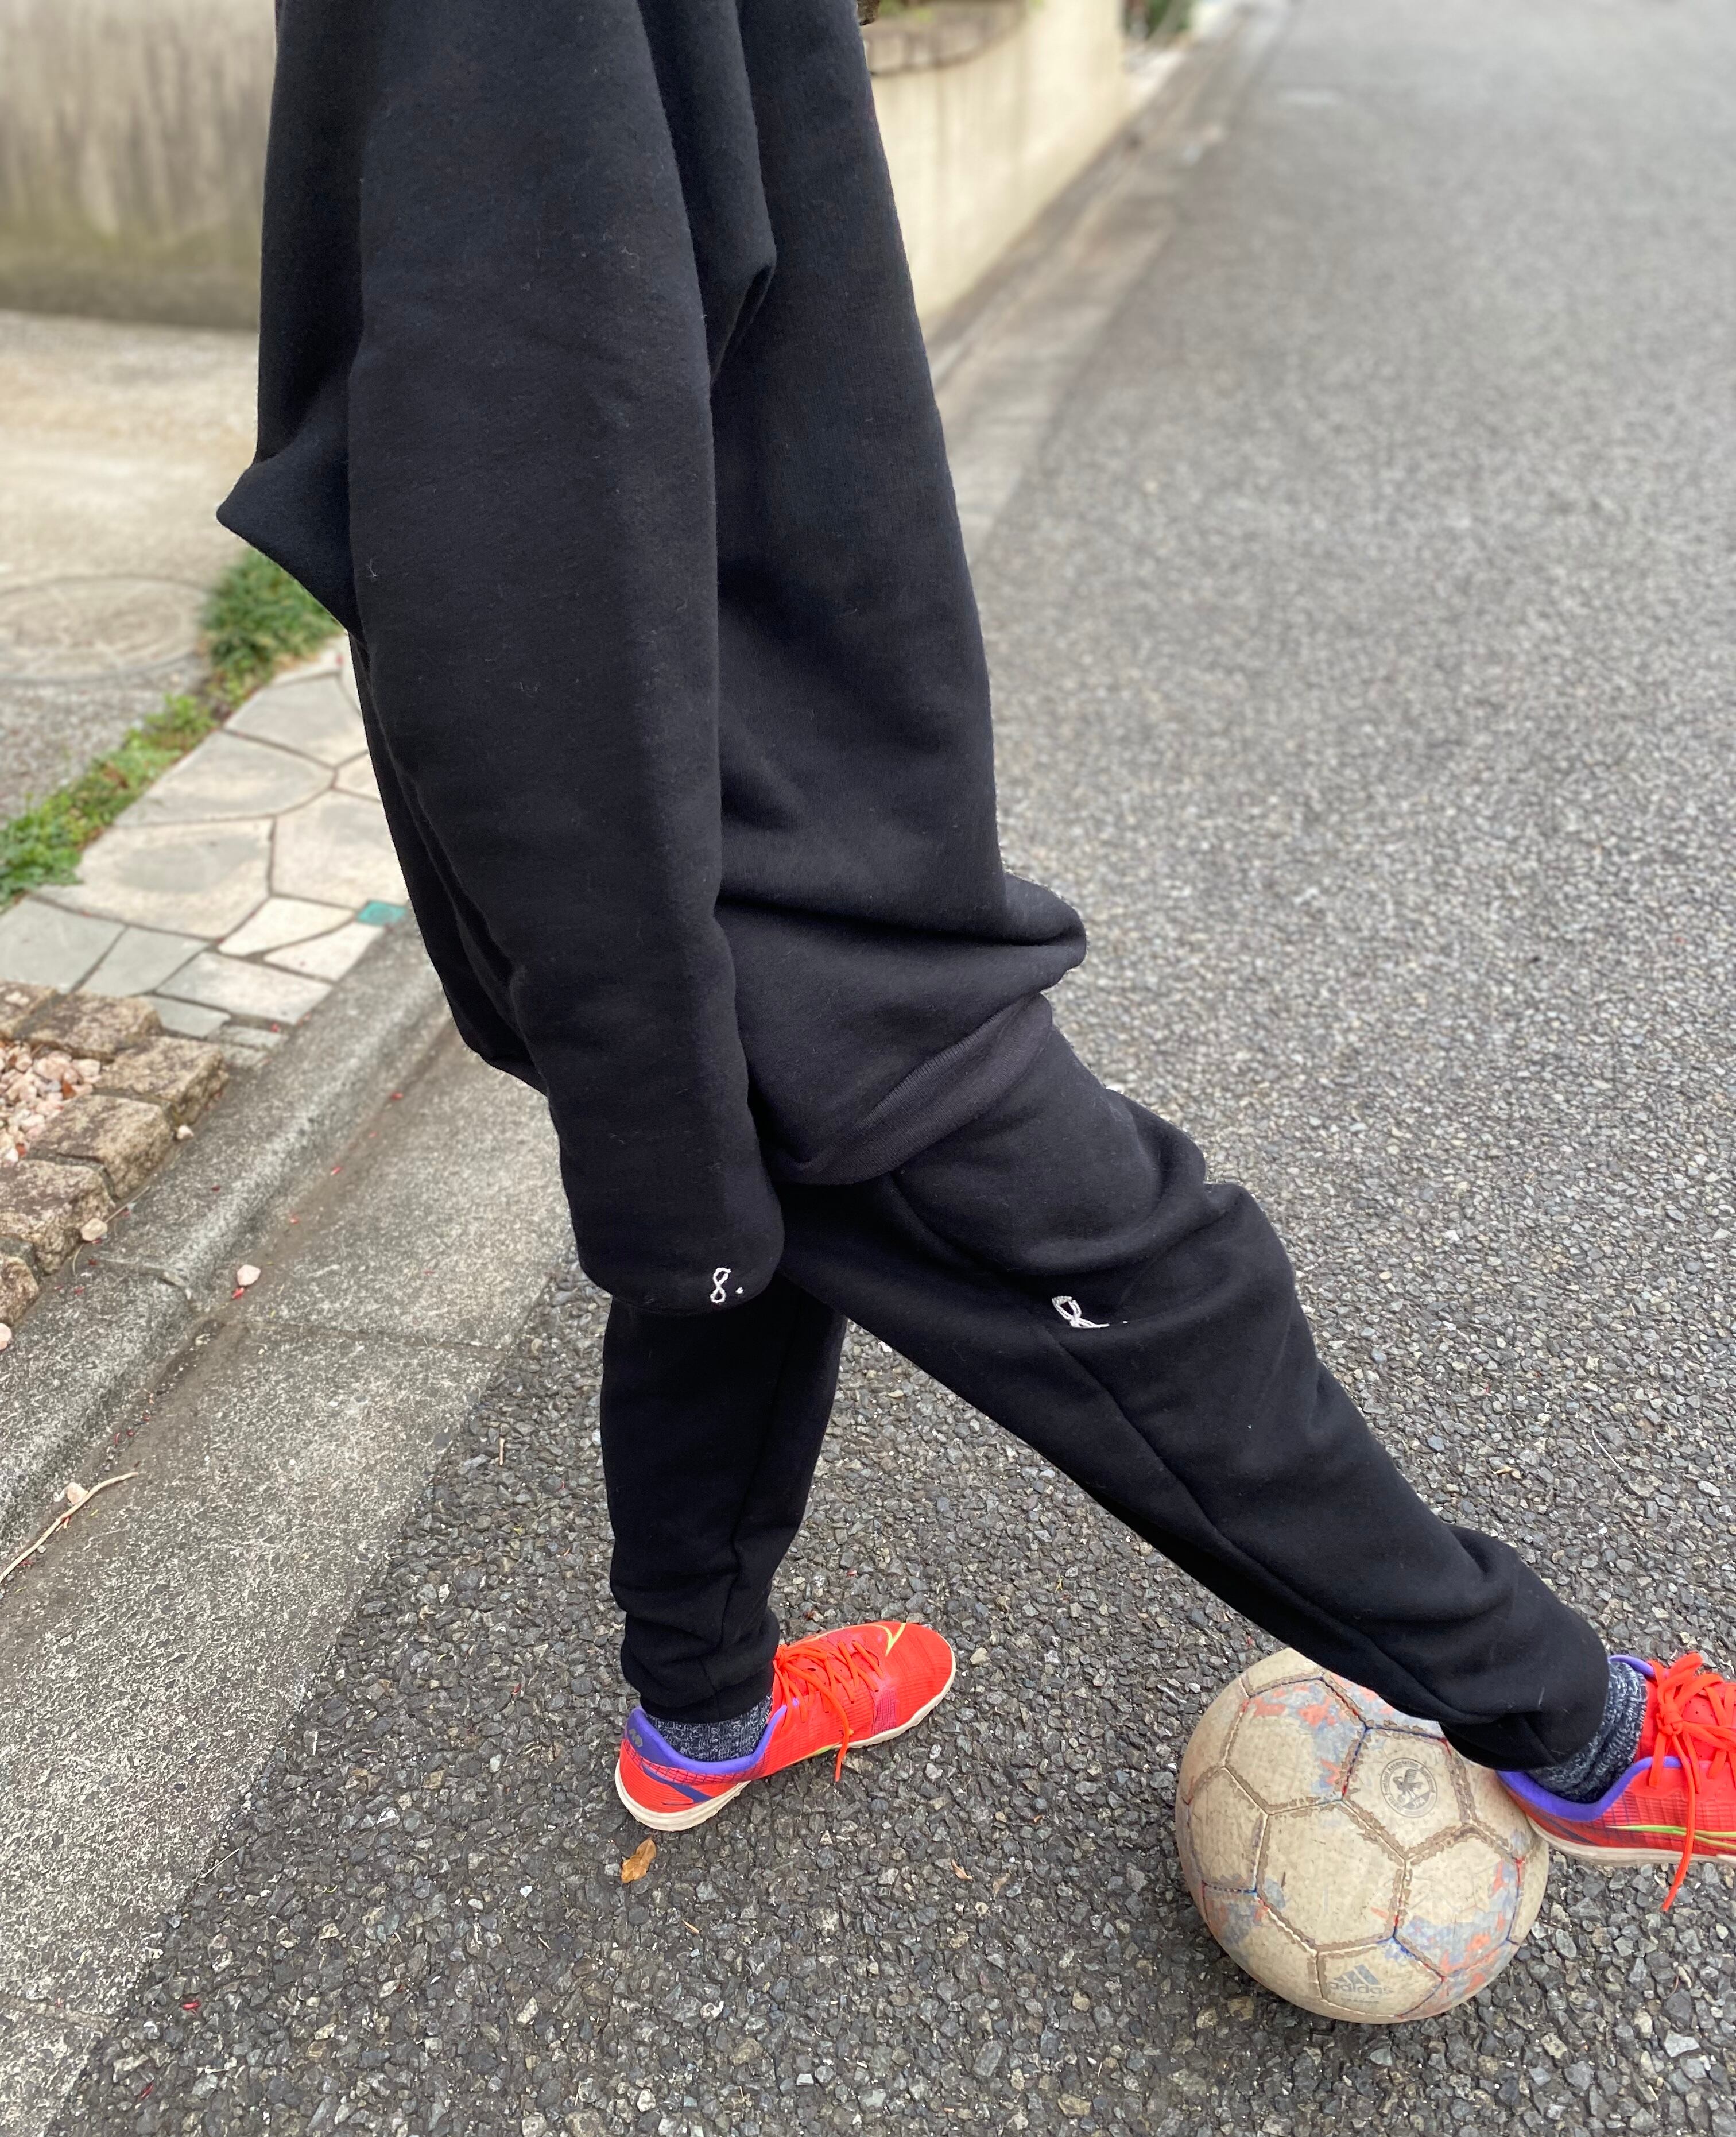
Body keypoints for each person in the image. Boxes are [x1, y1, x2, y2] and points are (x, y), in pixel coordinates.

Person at [224, 0, 1733, 1905]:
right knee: (1151, 1271)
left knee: (751, 1255)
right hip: (740, 851)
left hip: (756, 793)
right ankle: (1584, 1734)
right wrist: (644, 1051)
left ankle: (701, 1714)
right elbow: (506, 505)